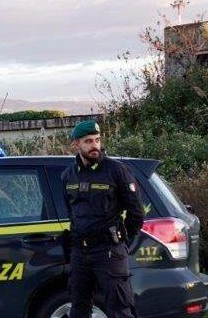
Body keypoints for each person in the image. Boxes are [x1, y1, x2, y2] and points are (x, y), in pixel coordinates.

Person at [62, 120, 145, 318]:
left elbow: (137, 213)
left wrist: (122, 241)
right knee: (78, 309)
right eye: (88, 141)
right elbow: (71, 212)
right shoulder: (68, 175)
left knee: (119, 310)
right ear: (76, 144)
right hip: (80, 253)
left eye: (97, 140)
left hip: (108, 251)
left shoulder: (116, 170)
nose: (95, 146)